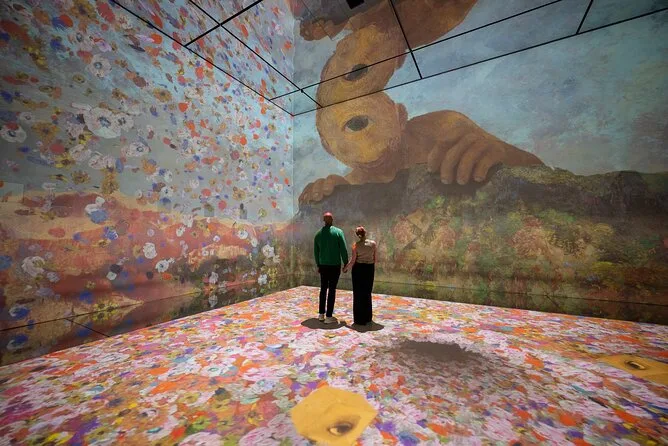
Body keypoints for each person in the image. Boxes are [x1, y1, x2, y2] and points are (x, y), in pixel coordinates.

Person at [314, 212, 349, 323]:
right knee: (332, 289)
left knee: (323, 289)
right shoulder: (338, 232)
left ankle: (321, 314)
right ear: (332, 220)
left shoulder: (318, 234)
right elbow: (343, 248)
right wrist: (346, 263)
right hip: (335, 266)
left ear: (323, 220)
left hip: (323, 266)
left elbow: (316, 252)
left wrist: (318, 264)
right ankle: (329, 316)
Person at [343, 226, 376, 326]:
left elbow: (353, 261)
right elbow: (375, 259)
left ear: (357, 235)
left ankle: (359, 319)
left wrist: (345, 268)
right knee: (367, 292)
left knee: (358, 293)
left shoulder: (355, 245)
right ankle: (368, 317)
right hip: (369, 269)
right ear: (365, 233)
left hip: (358, 270)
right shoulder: (373, 244)